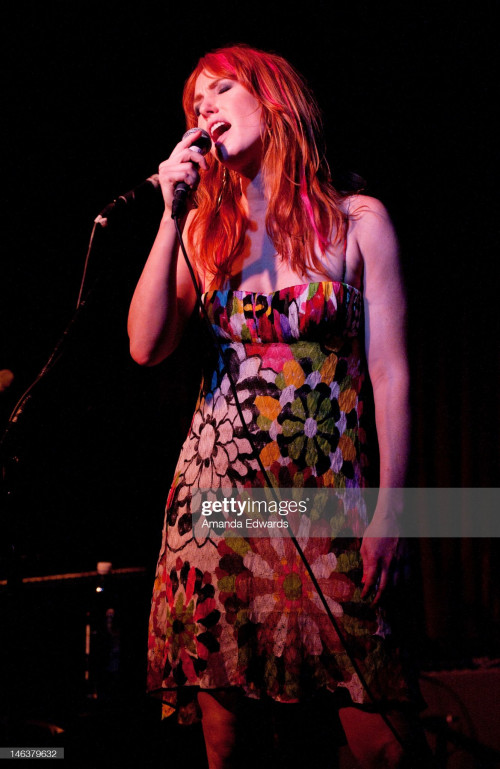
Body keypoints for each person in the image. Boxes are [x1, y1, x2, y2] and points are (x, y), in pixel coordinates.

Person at [128, 44, 431, 769]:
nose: (203, 109)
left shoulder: (359, 221)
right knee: (226, 739)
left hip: (328, 505)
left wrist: (395, 507)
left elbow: (390, 372)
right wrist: (171, 216)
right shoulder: (205, 231)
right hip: (219, 504)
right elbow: (145, 345)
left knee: (379, 737)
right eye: (193, 103)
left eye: (221, 90)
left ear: (273, 98)